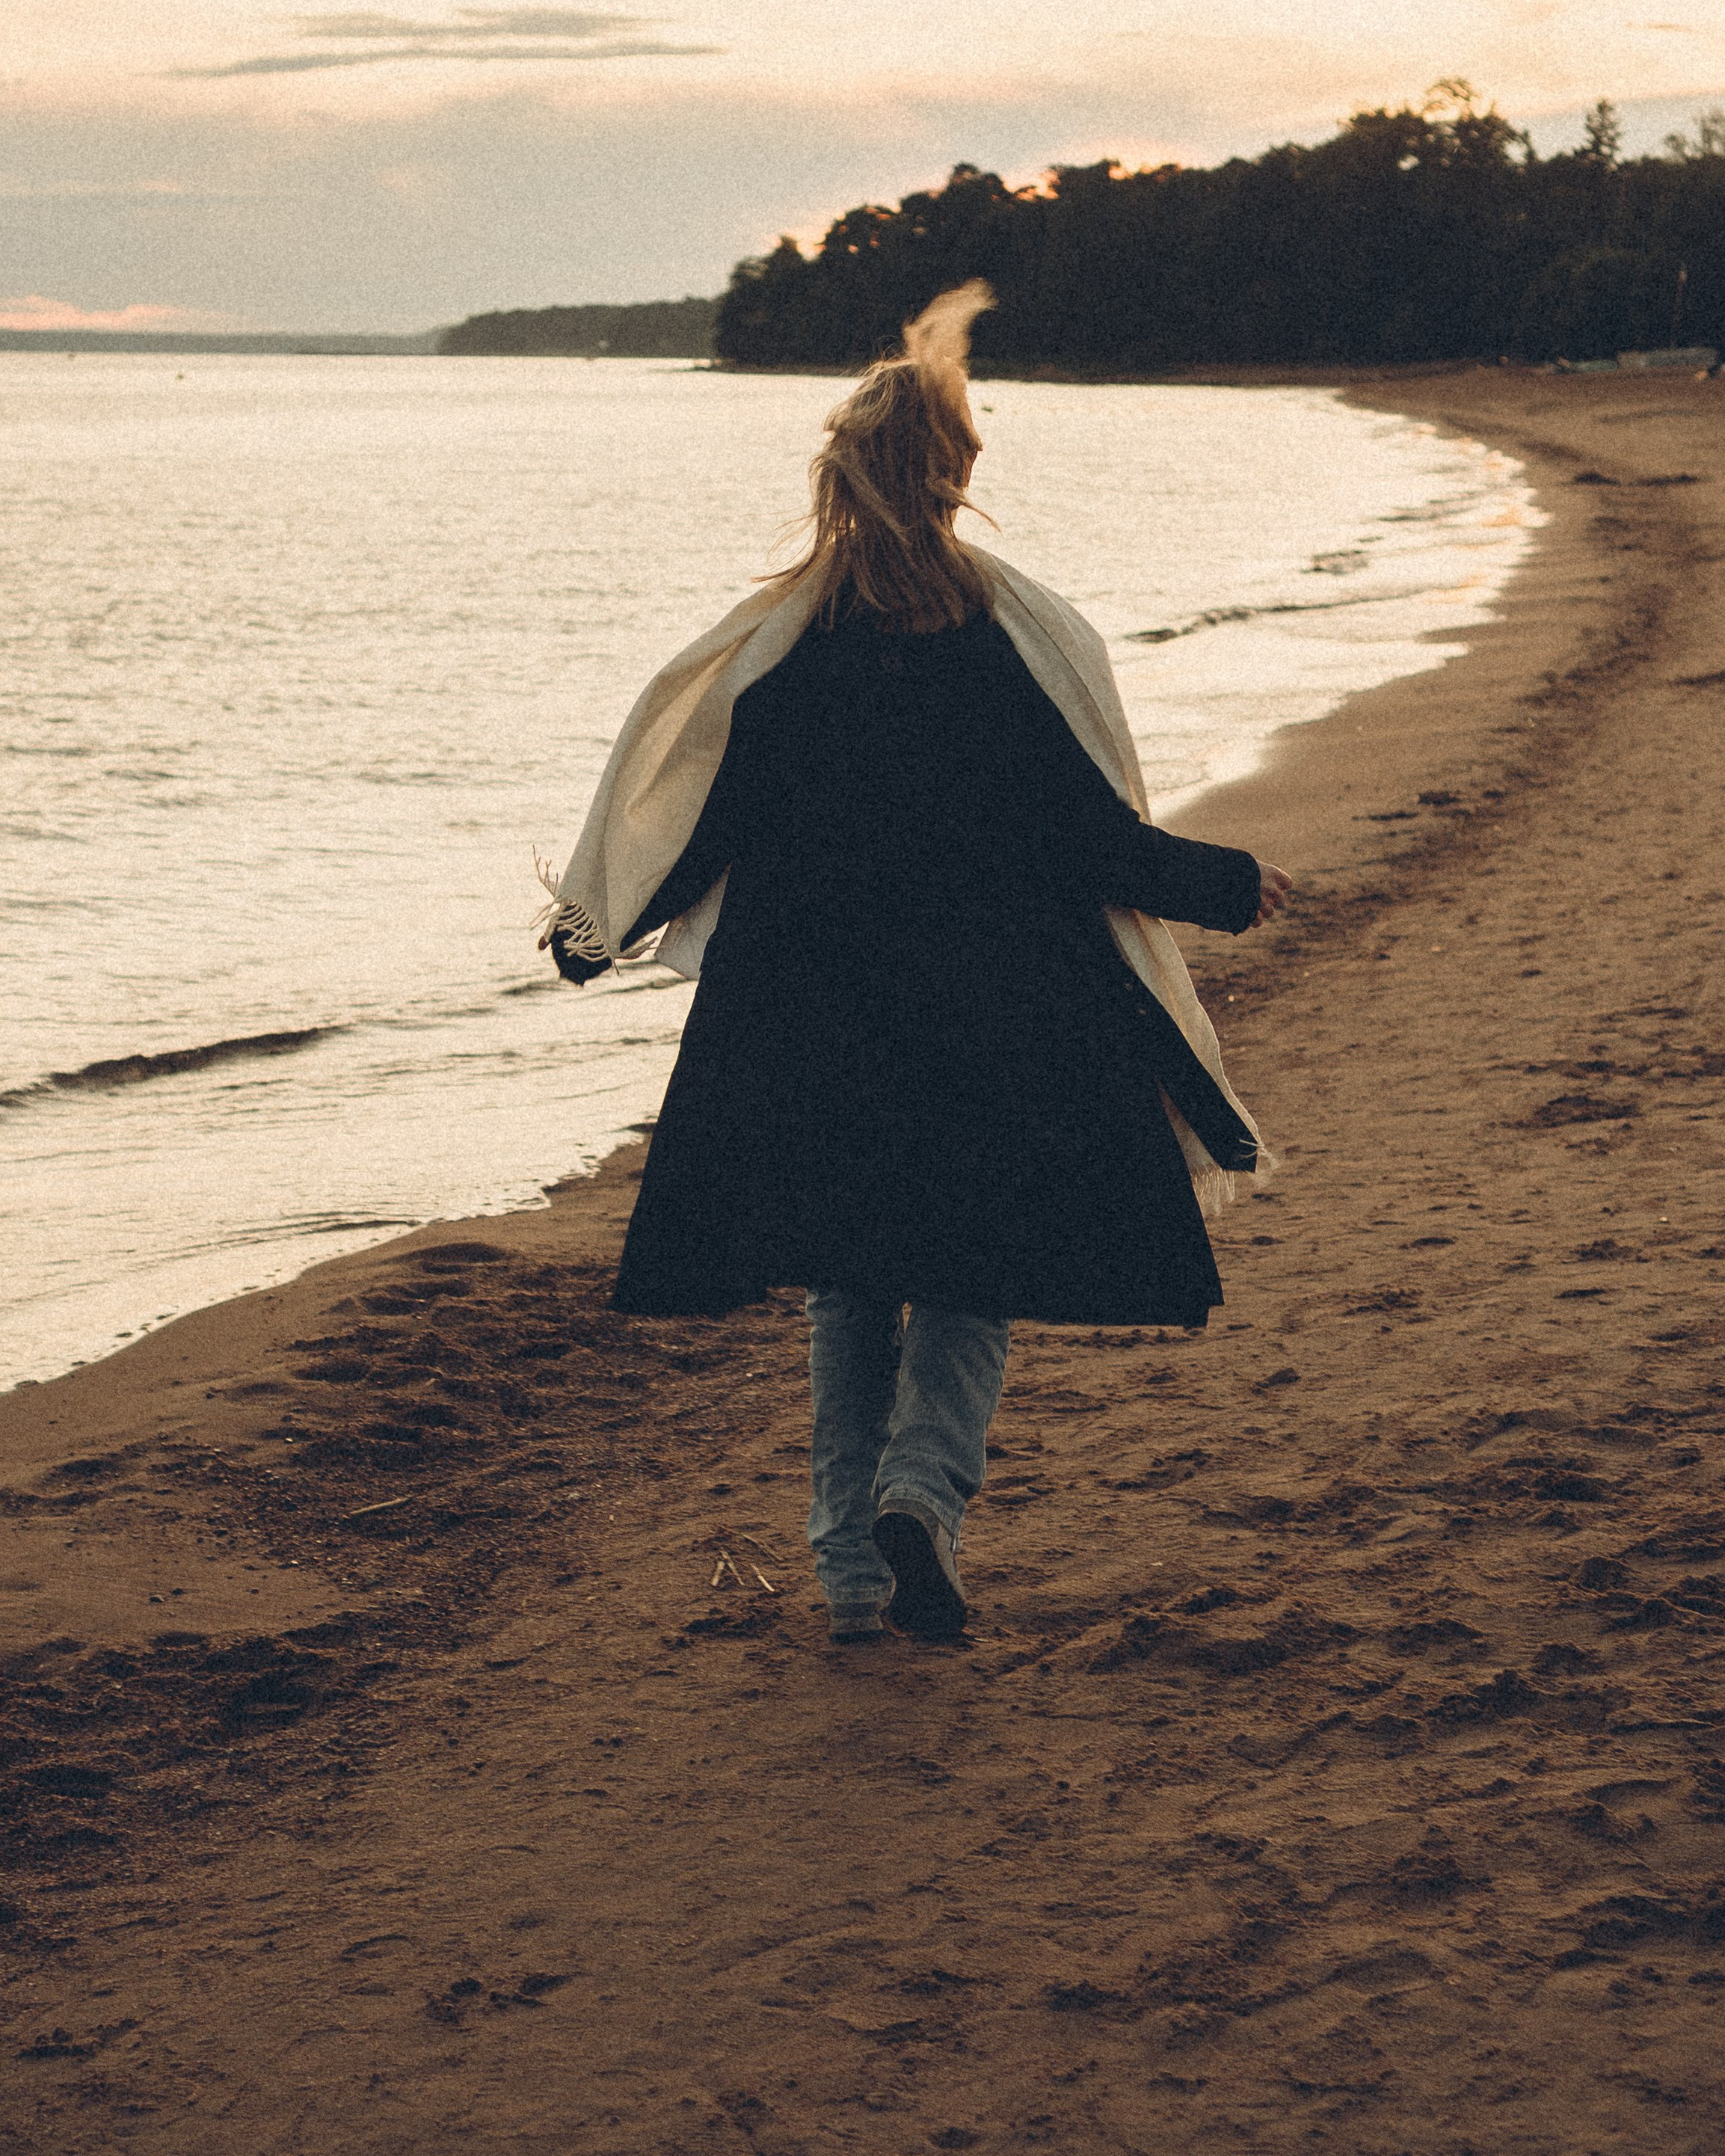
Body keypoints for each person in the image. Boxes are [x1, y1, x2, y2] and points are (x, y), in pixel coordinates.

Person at [539, 283, 1291, 1645]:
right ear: (948, 486)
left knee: (851, 1279)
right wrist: (1227, 885)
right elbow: (1086, 843)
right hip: (990, 1015)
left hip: (815, 1019)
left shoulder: (786, 657)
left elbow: (707, 818)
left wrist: (592, 931)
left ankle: (849, 1575)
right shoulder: (1006, 648)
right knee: (966, 1270)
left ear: (844, 483)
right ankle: (920, 1497)